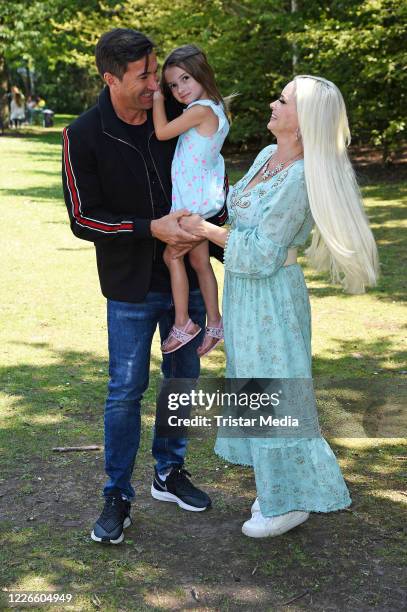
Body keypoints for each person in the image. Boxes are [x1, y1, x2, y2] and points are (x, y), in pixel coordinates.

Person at [179, 76, 379, 538]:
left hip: (271, 292)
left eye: (283, 100)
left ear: (304, 120)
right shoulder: (269, 156)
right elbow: (242, 214)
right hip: (244, 292)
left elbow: (263, 251)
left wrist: (205, 231)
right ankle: (279, 486)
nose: (273, 103)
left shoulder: (303, 174)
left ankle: (287, 498)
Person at [62, 29, 227, 545]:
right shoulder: (83, 134)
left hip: (190, 278)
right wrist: (148, 227)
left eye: (157, 71)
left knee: (183, 381)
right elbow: (83, 217)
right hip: (131, 285)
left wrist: (225, 241)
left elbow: (205, 187)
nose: (157, 83)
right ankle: (117, 494)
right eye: (144, 76)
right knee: (124, 392)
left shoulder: (180, 119)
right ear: (111, 78)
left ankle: (169, 472)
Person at [152, 45, 228, 357]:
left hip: (191, 205)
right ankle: (215, 323)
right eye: (171, 85)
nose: (179, 89)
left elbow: (162, 133)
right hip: (201, 200)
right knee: (199, 262)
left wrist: (158, 100)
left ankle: (184, 323)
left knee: (172, 257)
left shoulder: (200, 110)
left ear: (201, 74)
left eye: (185, 79)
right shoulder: (215, 106)